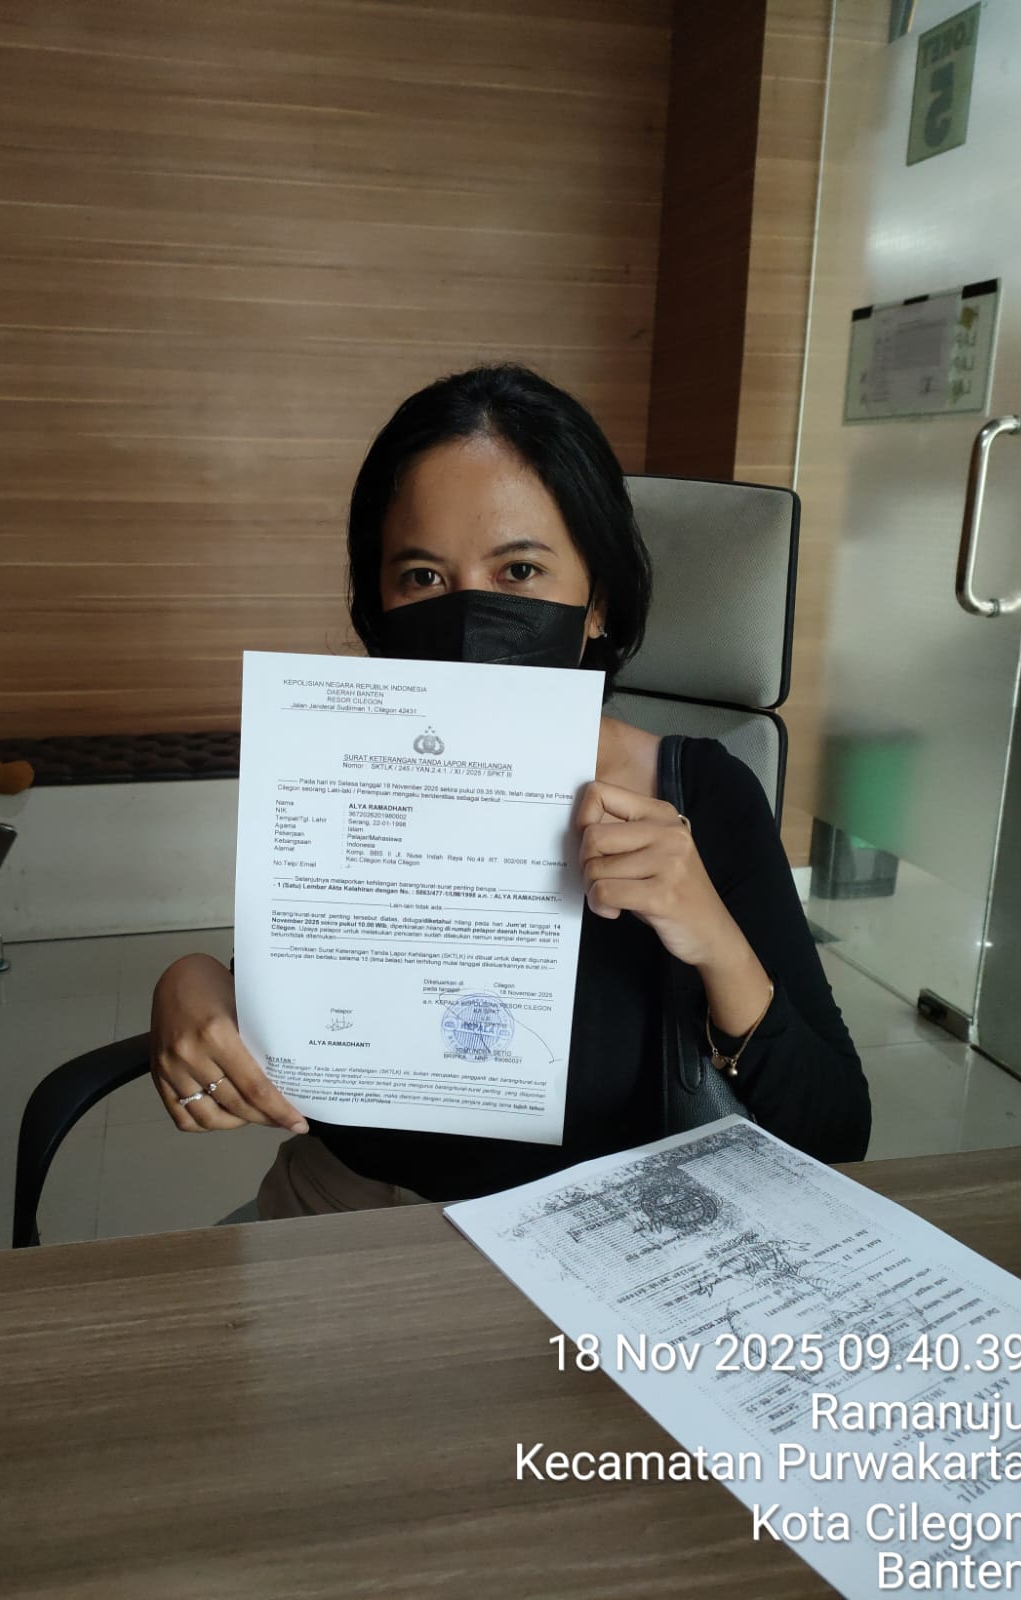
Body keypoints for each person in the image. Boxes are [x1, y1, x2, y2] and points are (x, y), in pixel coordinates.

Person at [150, 364, 871, 1216]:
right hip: (338, 1214)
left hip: (598, 1234)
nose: (469, 618)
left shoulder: (701, 796)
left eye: (520, 570)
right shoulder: (347, 770)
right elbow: (307, 1004)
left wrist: (715, 941)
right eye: (423, 577)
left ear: (598, 602)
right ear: (378, 601)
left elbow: (837, 1132)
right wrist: (192, 983)